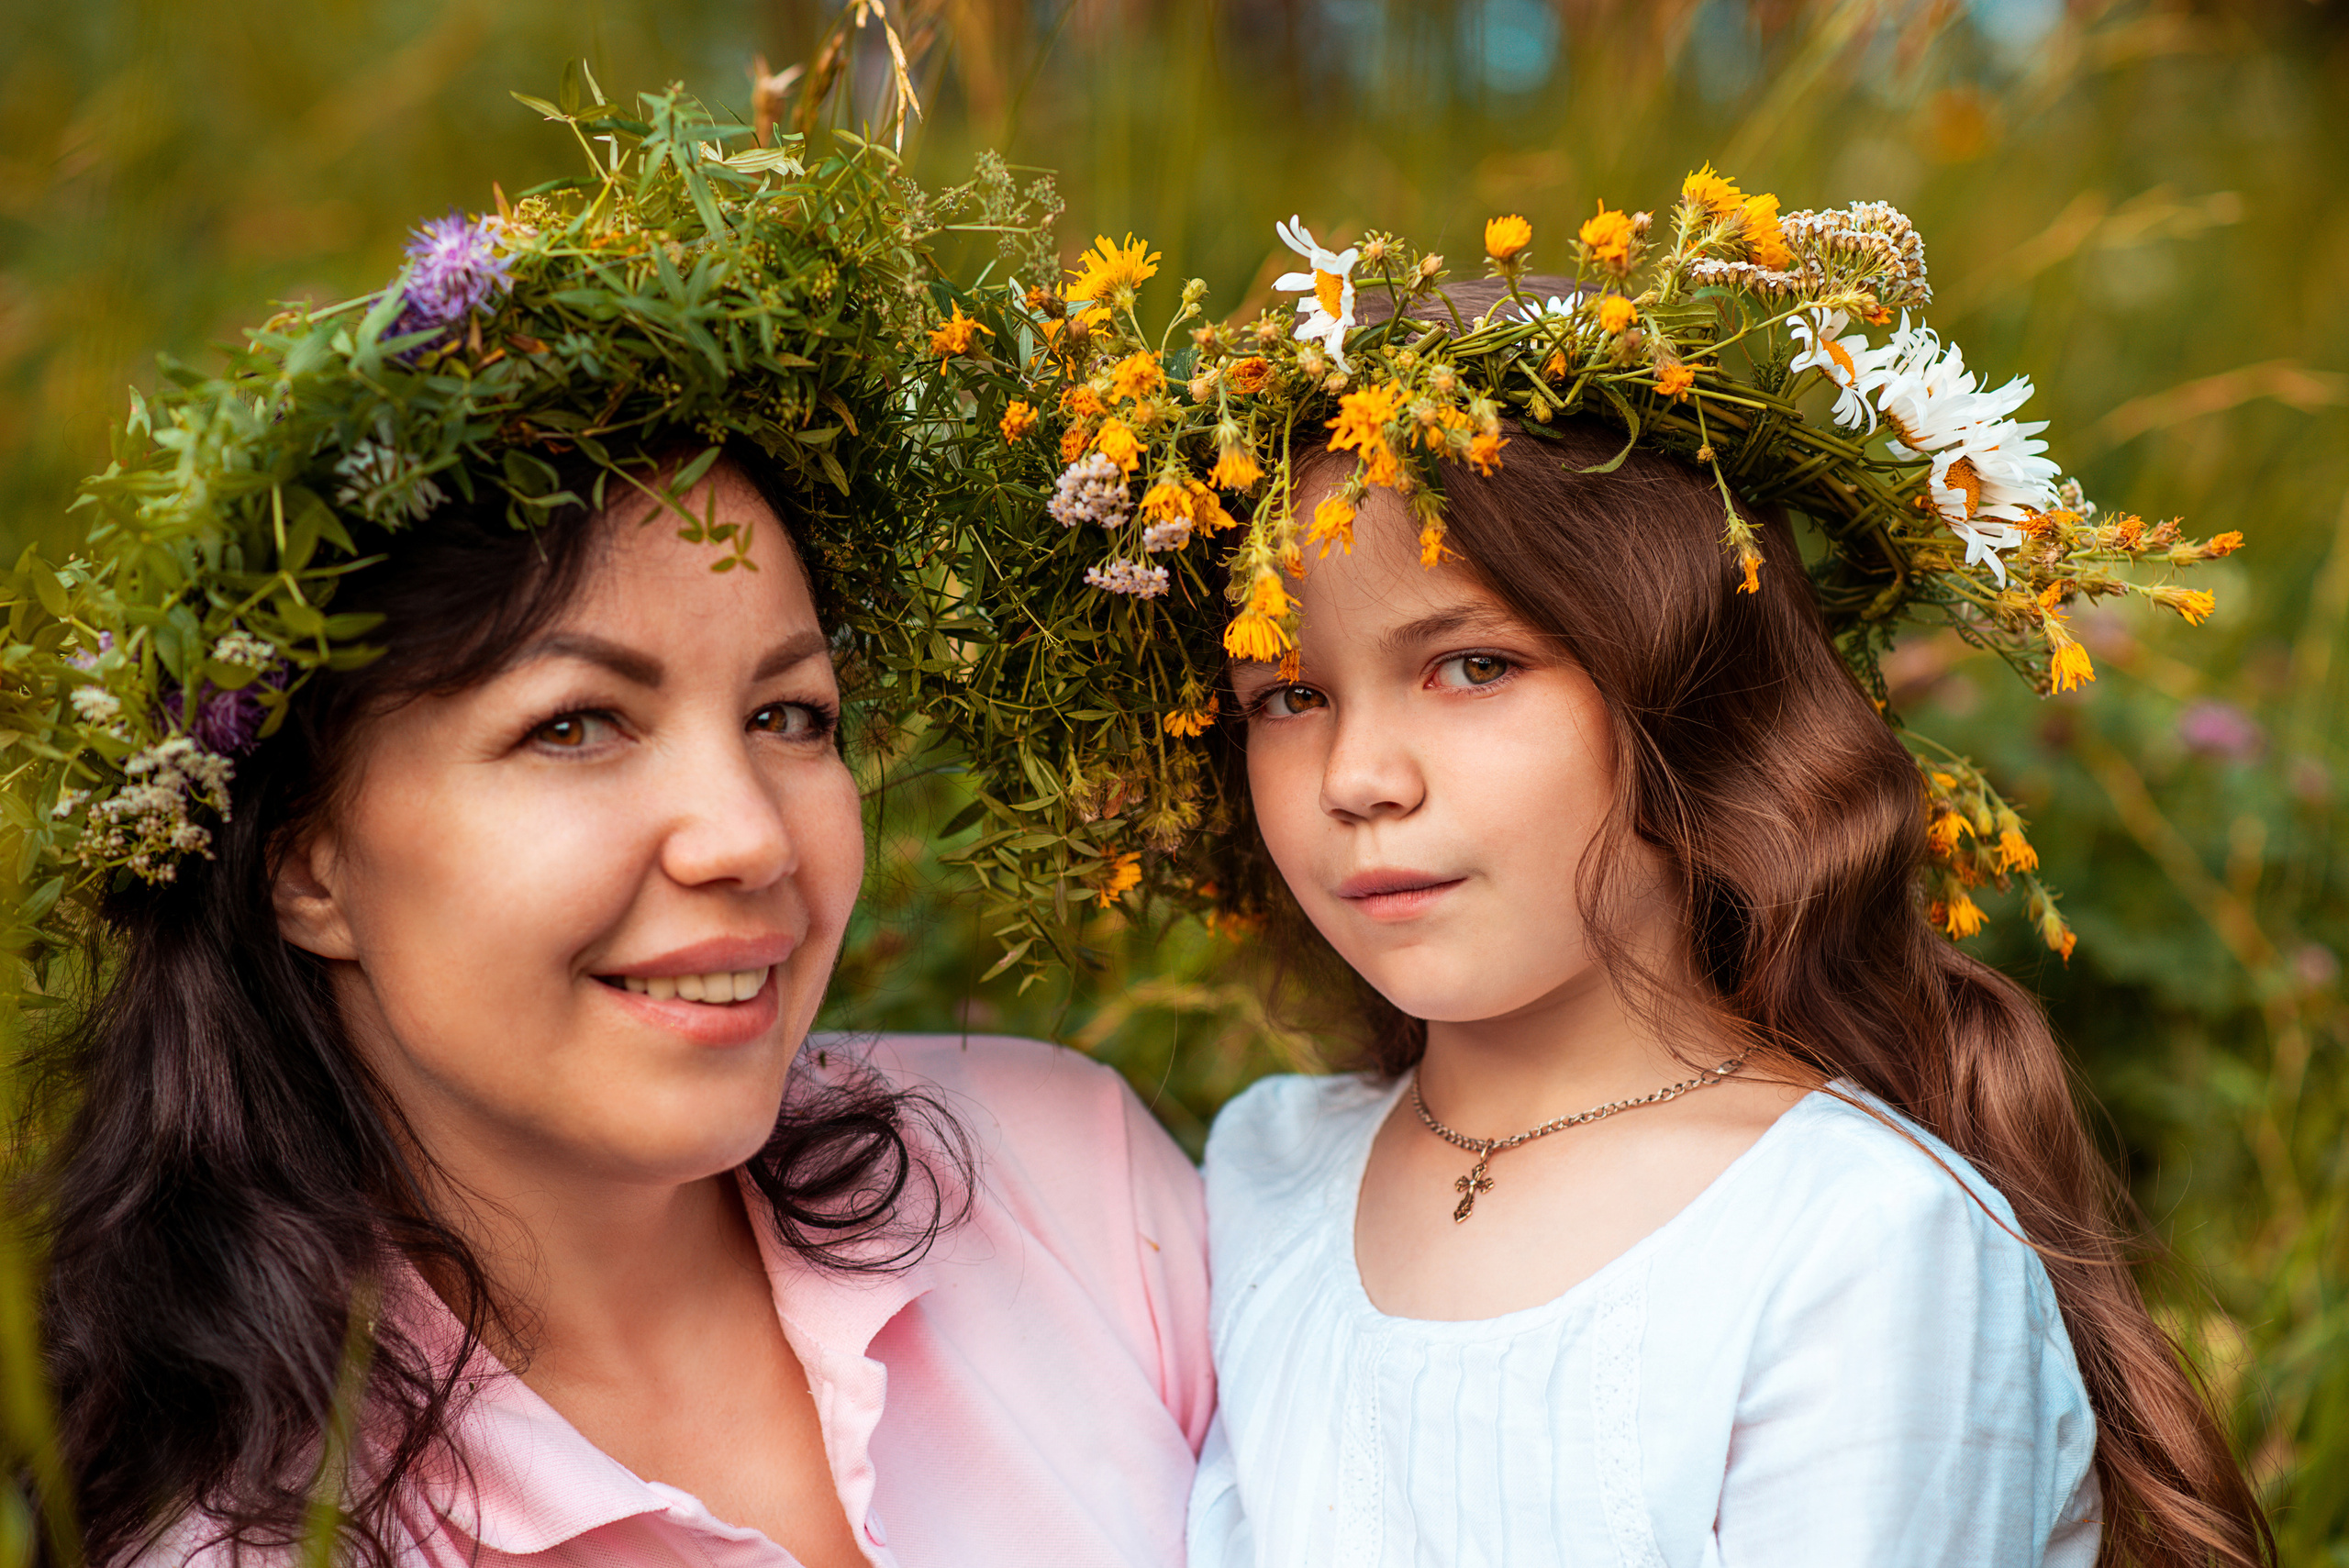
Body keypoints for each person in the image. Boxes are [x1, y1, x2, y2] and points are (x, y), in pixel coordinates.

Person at [920, 184, 2272, 1566]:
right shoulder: (1271, 1175)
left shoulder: (1860, 1244)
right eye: (1285, 694)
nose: (1359, 776)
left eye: (1473, 666)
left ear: (1685, 691)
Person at [7, 98, 1208, 1568]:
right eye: (575, 724)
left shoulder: (1065, 1179)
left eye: (791, 715)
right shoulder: (245, 1536)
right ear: (304, 858)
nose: (743, 839)